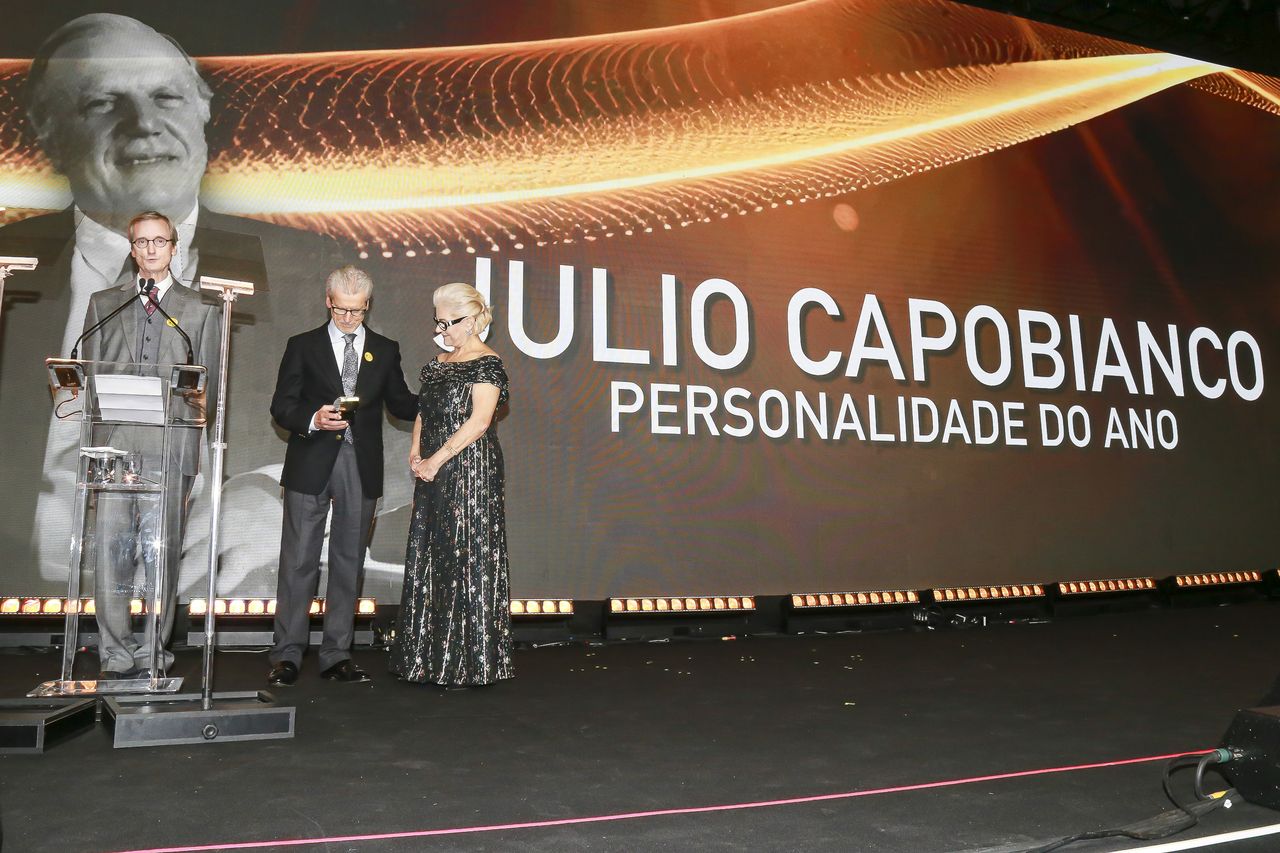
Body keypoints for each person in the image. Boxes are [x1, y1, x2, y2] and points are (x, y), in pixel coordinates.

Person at [0, 12, 342, 597]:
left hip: (204, 599)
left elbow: (385, 415)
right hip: (26, 601)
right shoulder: (9, 261)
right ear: (49, 133)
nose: (144, 125)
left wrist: (268, 491)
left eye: (166, 96)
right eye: (102, 103)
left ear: (203, 108)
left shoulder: (306, 263)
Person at [81, 211, 220, 679]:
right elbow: (90, 379)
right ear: (132, 249)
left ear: (174, 247)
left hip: (169, 448)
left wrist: (192, 418)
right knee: (110, 557)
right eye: (142, 242)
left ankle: (153, 652)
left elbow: (208, 391)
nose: (151, 249)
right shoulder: (104, 304)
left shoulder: (201, 309)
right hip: (114, 448)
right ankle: (114, 653)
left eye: (160, 241)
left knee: (161, 557)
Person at [267, 266, 418, 685]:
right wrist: (313, 418)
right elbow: (281, 406)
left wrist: (445, 394)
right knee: (298, 560)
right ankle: (287, 654)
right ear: (328, 301)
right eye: (341, 310)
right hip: (309, 461)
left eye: (358, 310)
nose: (349, 318)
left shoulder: (385, 349)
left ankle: (336, 654)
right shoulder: (302, 345)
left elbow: (401, 404)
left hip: (360, 464)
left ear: (368, 305)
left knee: (349, 561)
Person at [389, 283, 513, 687]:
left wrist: (436, 459)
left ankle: (465, 662)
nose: (441, 330)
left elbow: (479, 421)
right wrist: (415, 452)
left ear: (472, 321)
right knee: (432, 552)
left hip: (470, 469)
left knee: (465, 554)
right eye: (438, 321)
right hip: (433, 468)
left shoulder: (488, 363)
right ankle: (426, 658)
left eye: (448, 322)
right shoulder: (438, 363)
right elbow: (424, 411)